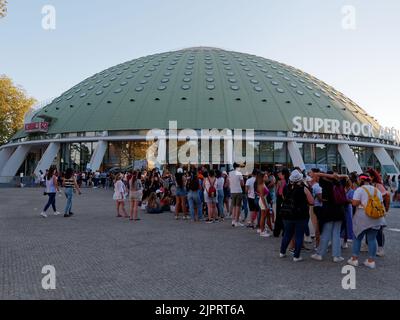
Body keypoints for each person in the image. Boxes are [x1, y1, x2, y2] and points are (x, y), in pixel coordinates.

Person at [347, 173, 387, 269]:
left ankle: (354, 259)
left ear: (360, 181)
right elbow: (380, 203)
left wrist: (350, 200)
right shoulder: (376, 190)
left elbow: (355, 203)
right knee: (372, 239)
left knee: (357, 238)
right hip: (376, 217)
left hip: (363, 216)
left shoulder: (359, 190)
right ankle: (371, 261)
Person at [311, 172, 347, 263]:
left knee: (326, 233)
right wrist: (337, 176)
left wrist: (329, 176)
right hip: (339, 211)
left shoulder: (325, 184)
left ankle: (319, 254)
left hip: (328, 211)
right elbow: (346, 176)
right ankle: (336, 256)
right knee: (336, 234)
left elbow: (317, 174)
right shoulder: (340, 183)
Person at [279, 170, 314, 262]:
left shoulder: (286, 188)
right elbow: (311, 202)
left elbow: (284, 198)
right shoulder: (304, 189)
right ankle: (296, 256)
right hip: (301, 215)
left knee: (287, 234)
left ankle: (282, 252)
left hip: (287, 214)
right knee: (299, 235)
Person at [367, 168, 388, 257]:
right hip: (369, 210)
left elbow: (386, 194)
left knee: (379, 230)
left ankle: (381, 248)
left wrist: (385, 209)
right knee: (368, 228)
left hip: (377, 210)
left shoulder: (378, 185)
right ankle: (368, 245)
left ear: (372, 177)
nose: (367, 177)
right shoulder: (370, 184)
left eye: (368, 176)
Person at [256, 172, 272, 237]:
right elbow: (262, 197)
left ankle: (263, 229)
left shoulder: (263, 184)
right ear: (262, 178)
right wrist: (265, 206)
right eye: (265, 177)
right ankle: (262, 231)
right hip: (263, 201)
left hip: (264, 201)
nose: (267, 177)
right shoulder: (261, 185)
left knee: (264, 216)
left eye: (266, 176)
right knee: (263, 217)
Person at [274, 168, 290, 237]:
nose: (279, 174)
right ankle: (284, 231)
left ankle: (277, 232)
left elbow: (278, 193)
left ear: (284, 174)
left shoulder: (283, 182)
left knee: (279, 216)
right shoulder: (288, 181)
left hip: (281, 200)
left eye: (280, 173)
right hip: (285, 200)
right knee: (285, 216)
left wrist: (278, 186)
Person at [229, 163, 244, 227]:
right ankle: (236, 221)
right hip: (238, 191)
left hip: (232, 191)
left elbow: (229, 181)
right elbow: (242, 183)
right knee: (238, 207)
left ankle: (233, 221)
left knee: (234, 206)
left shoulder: (230, 173)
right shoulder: (239, 173)